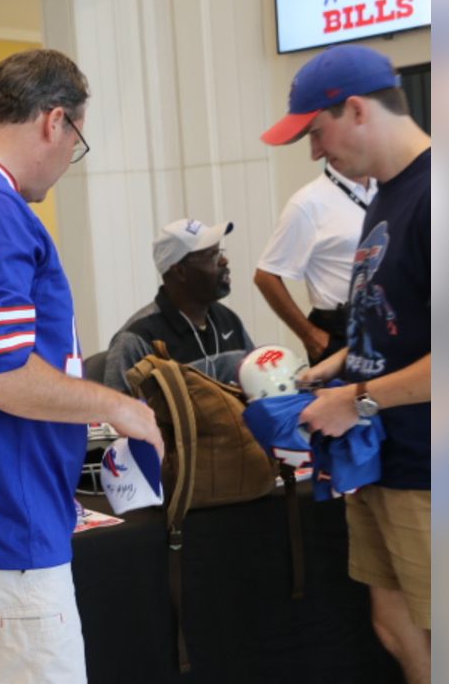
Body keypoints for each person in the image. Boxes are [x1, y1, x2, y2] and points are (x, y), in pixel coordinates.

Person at [0, 49, 164, 684]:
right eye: (79, 141)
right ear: (55, 121)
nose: (71, 159)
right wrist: (118, 405)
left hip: (0, 503)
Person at [261, 44, 431, 684]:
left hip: (439, 469)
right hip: (386, 458)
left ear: (356, 110)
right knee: (394, 624)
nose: (312, 152)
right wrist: (338, 366)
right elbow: (403, 316)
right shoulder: (387, 195)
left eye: (315, 131)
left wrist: (357, 399)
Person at [100, 218, 254, 392]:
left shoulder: (229, 320)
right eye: (212, 255)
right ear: (180, 271)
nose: (224, 261)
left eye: (220, 252)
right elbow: (117, 414)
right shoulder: (136, 339)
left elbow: (254, 385)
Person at [254, 162, 376, 364]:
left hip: (387, 323)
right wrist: (310, 336)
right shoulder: (308, 203)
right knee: (352, 397)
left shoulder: (386, 188)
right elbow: (265, 276)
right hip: (340, 331)